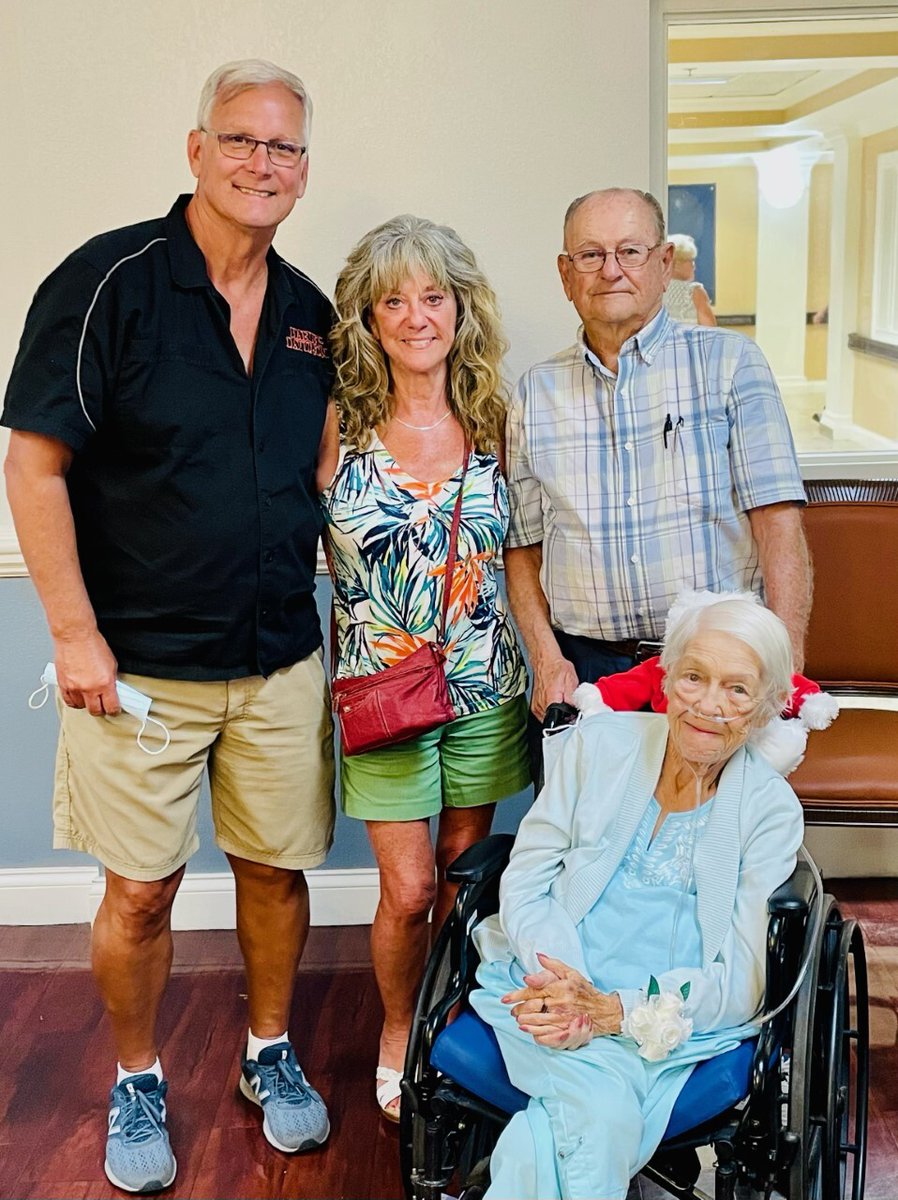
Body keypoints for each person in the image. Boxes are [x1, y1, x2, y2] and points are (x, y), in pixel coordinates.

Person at [3, 60, 334, 1193]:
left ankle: (269, 1052)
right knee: (139, 890)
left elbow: (332, 482)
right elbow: (34, 463)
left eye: (284, 148)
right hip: (136, 664)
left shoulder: (309, 316)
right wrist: (72, 634)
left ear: (305, 170)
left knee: (275, 870)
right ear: (195, 151)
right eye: (241, 140)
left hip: (281, 655)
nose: (262, 164)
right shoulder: (109, 282)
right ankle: (138, 1072)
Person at [470, 593, 805, 1199]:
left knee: (584, 1117)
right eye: (694, 677)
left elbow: (742, 980)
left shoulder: (770, 811)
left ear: (764, 710)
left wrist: (615, 1011)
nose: (708, 705)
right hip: (540, 988)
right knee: (603, 1107)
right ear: (667, 680)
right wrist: (560, 980)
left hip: (668, 1017)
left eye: (736, 689)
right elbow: (527, 875)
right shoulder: (598, 746)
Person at [318, 214, 529, 1122]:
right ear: (367, 317)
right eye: (393, 299)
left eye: (432, 296)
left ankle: (451, 1024)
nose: (415, 316)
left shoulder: (495, 417)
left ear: (459, 308)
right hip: (382, 695)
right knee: (405, 891)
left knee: (458, 869)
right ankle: (399, 1030)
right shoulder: (337, 422)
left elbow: (522, 553)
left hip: (485, 683)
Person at [503, 187, 811, 779]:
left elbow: (778, 523)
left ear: (664, 263)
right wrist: (546, 659)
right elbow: (523, 546)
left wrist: (786, 667)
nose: (610, 270)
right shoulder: (534, 394)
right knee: (586, 855)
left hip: (721, 667)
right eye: (589, 255)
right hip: (590, 673)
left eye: (630, 251)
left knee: (716, 853)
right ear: (566, 275)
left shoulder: (730, 364)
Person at [663, 233, 716, 326]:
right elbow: (710, 332)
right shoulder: (694, 291)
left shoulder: (654, 290)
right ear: (676, 264)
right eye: (690, 260)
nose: (693, 266)